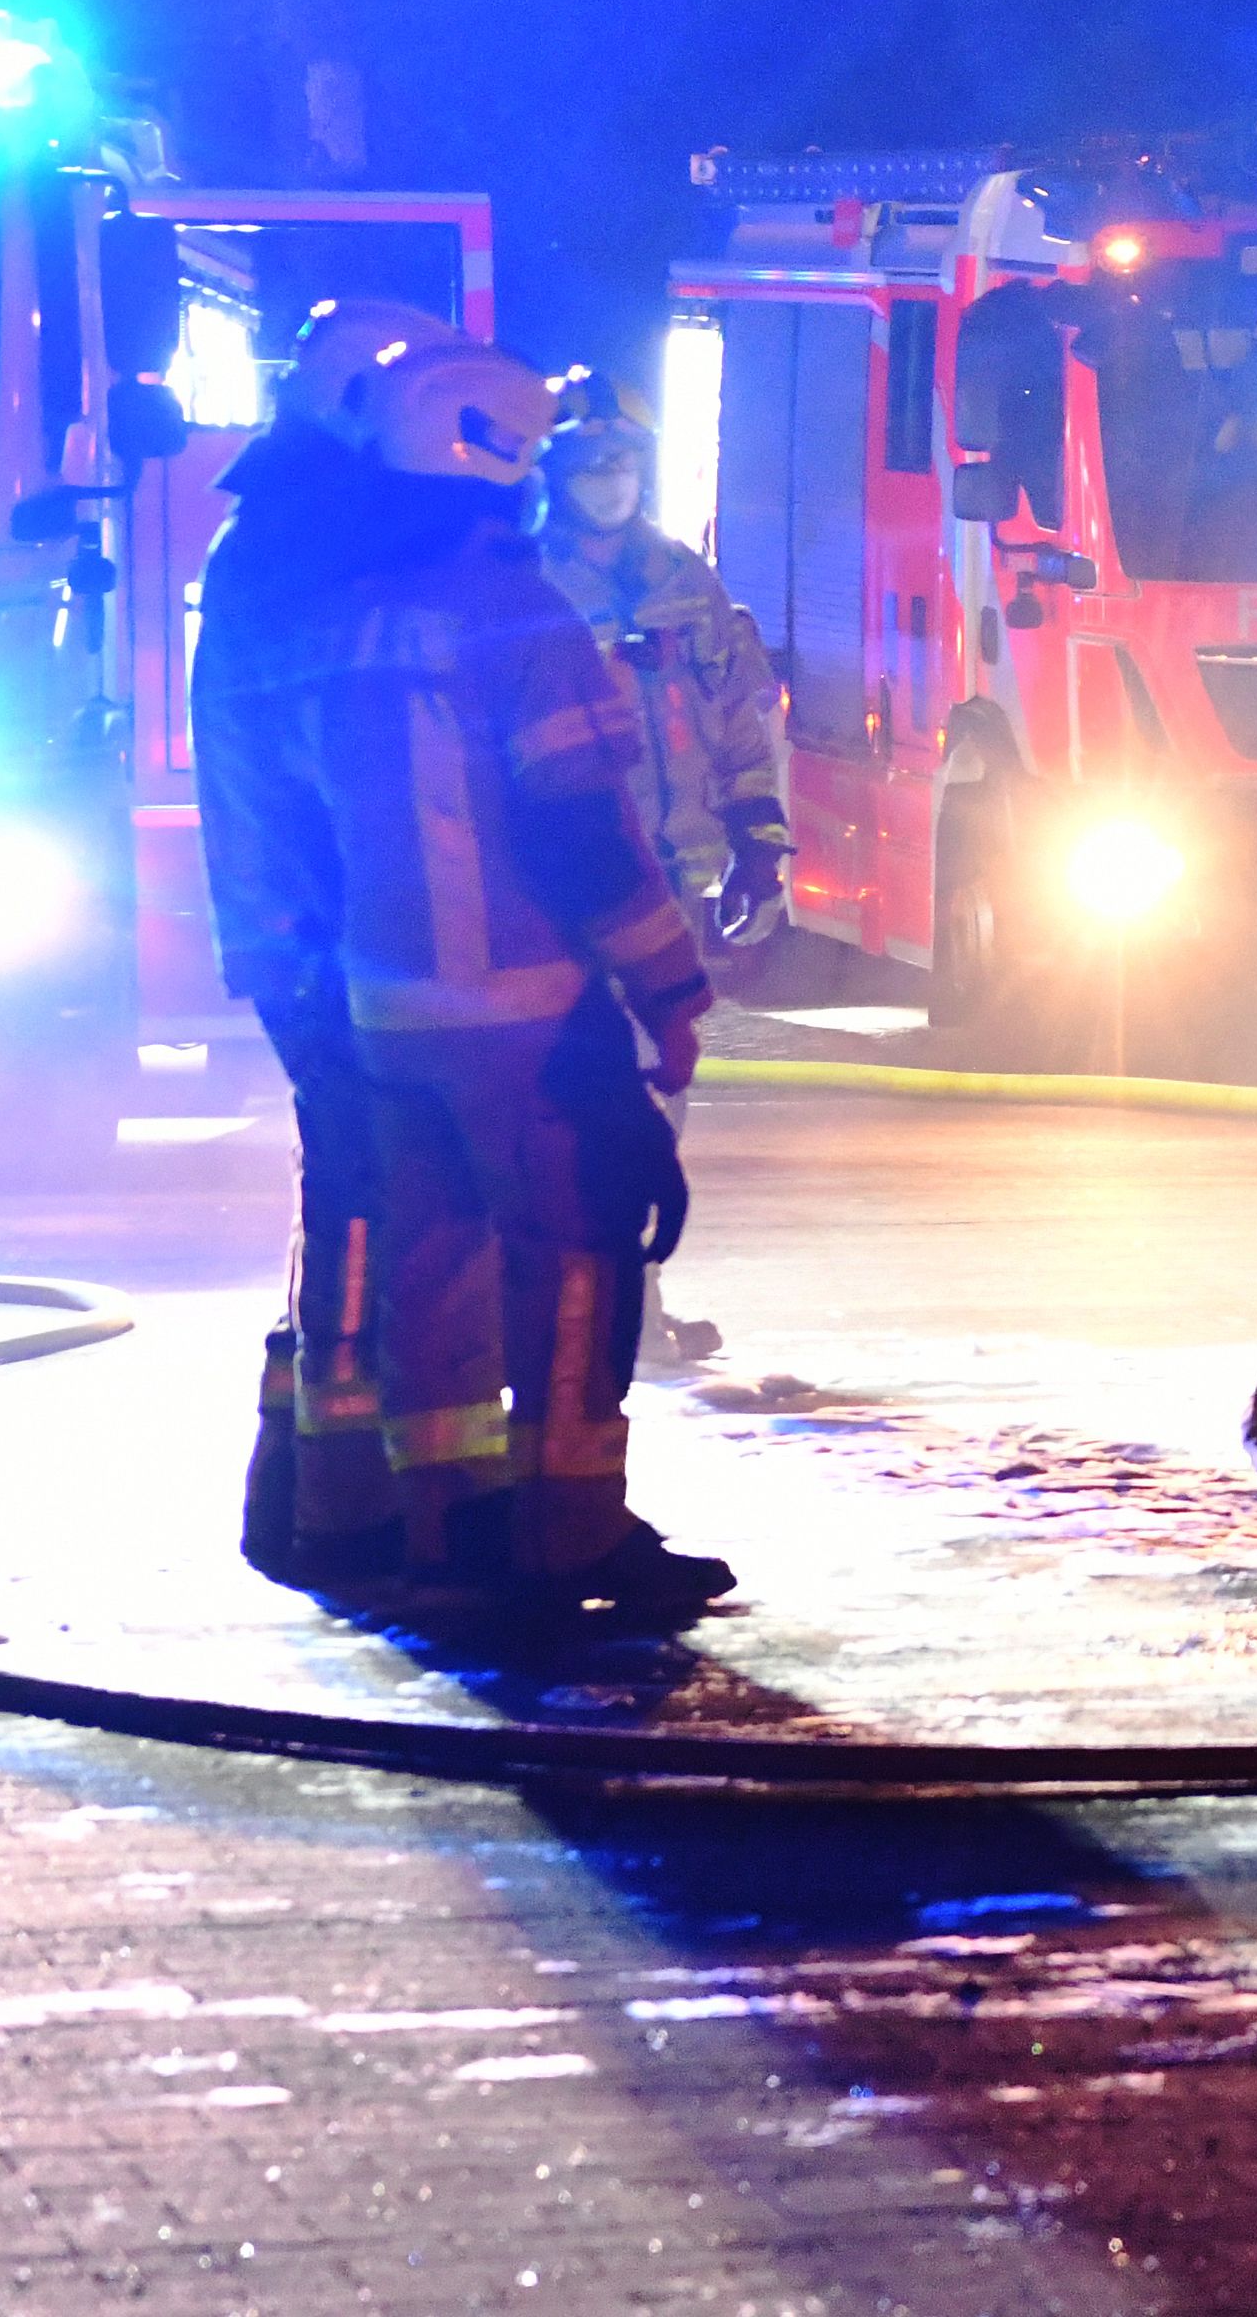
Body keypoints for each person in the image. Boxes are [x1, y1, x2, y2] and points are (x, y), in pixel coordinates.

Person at [306, 343, 725, 1624]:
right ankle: (567, 1530)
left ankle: (447, 1520)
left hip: (387, 1003)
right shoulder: (514, 610)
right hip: (518, 1002)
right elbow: (581, 829)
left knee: (434, 1250)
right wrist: (667, 985)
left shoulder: (349, 606)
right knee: (579, 1242)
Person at [209, 298, 458, 1594]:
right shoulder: (312, 545)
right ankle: (343, 1506)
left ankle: (301, 1488)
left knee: (353, 1179)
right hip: (324, 925)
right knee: (366, 1184)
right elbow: (345, 753)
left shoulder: (292, 529)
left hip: (312, 920)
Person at [535, 373, 793, 958]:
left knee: (671, 1046)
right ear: (554, 472)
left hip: (674, 894)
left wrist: (757, 846)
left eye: (621, 462)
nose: (610, 480)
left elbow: (737, 725)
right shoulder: (528, 591)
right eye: (591, 464)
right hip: (566, 902)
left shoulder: (686, 582)